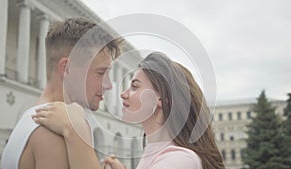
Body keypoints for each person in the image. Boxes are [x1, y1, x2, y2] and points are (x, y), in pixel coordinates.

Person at [32, 52, 225, 169]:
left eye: (135, 86)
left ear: (161, 99)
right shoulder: (158, 154)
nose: (123, 94)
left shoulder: (180, 160)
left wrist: (74, 131)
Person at [1, 17, 121, 169]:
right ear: (66, 68)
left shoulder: (30, 118)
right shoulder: (55, 133)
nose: (109, 85)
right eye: (100, 72)